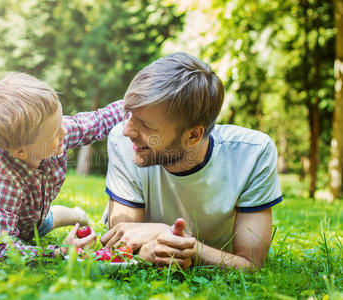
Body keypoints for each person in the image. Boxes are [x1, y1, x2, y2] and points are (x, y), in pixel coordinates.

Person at [100, 52, 282, 270]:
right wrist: (145, 251)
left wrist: (183, 244)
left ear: (193, 136)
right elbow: (122, 241)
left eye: (146, 125)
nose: (128, 130)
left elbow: (251, 264)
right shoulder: (123, 139)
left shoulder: (253, 154)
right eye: (128, 114)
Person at [0, 72, 123, 258]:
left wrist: (135, 106)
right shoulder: (0, 178)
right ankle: (70, 215)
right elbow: (2, 247)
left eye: (60, 123)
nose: (65, 131)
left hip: (30, 220)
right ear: (21, 152)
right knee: (42, 225)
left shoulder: (52, 132)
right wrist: (59, 252)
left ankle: (77, 215)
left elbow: (99, 121)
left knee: (44, 222)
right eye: (55, 132)